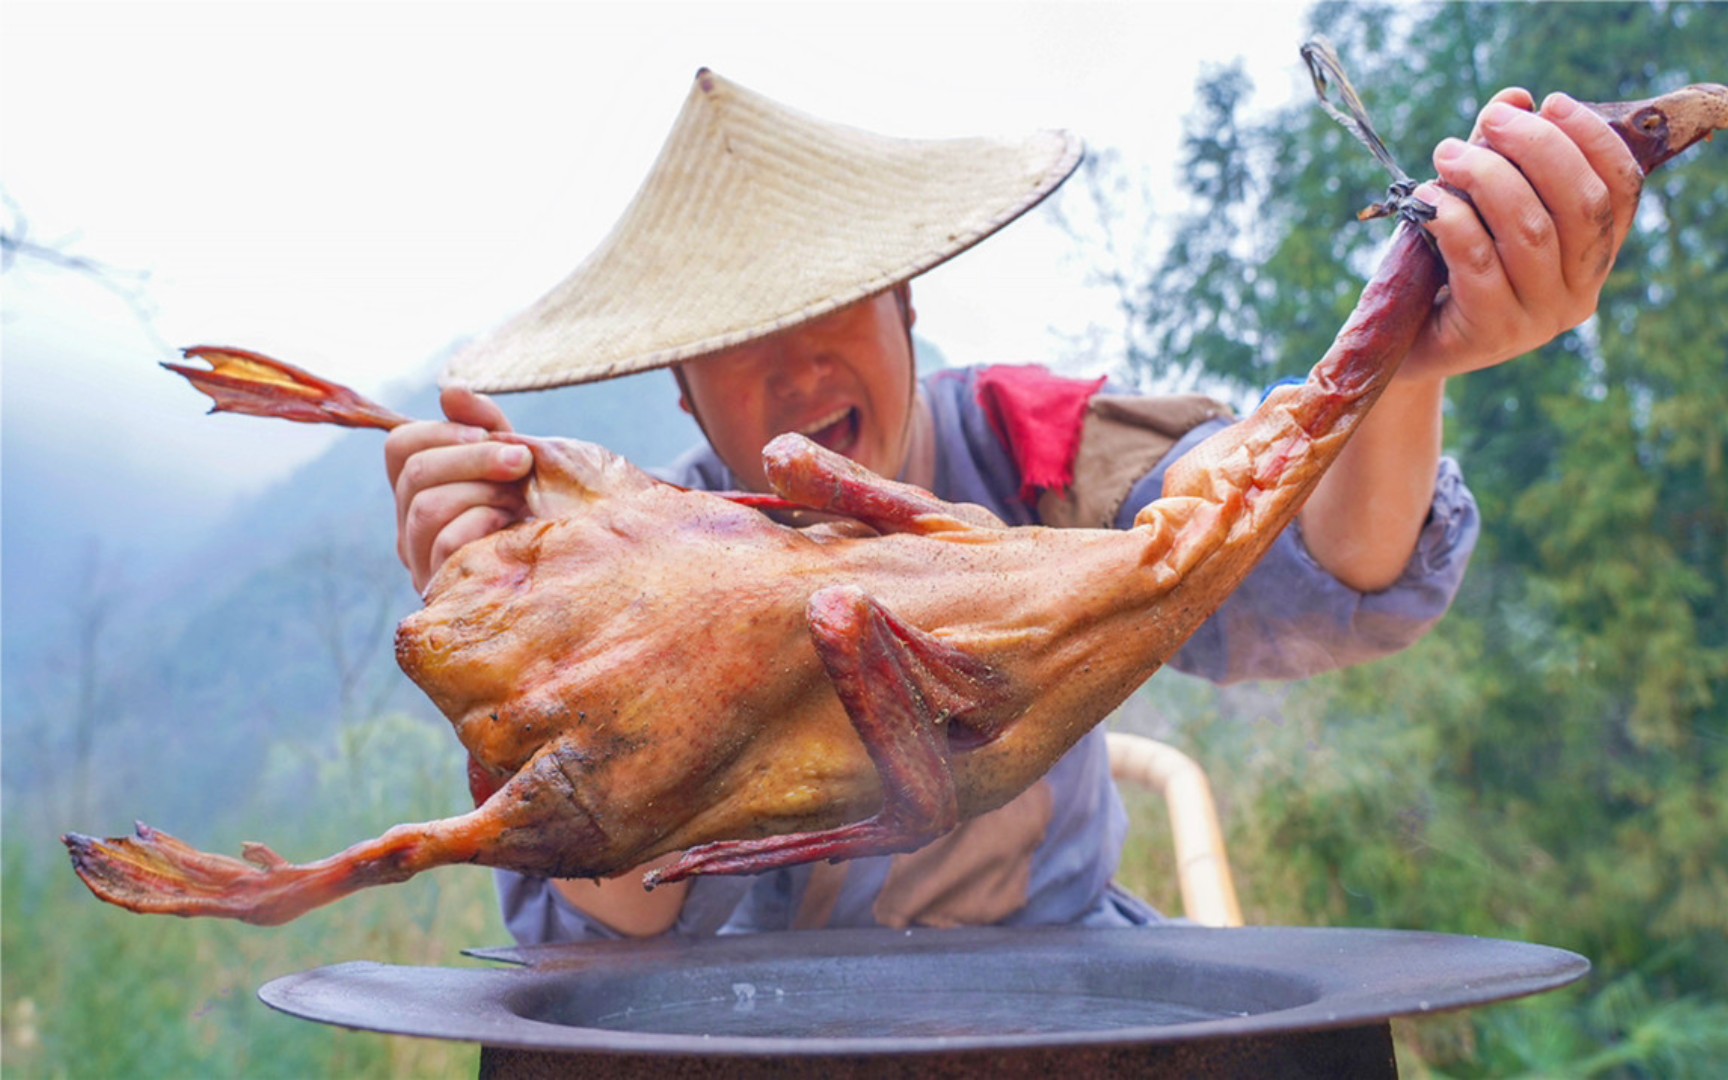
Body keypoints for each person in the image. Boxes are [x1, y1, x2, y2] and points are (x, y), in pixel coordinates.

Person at [384, 70, 1639, 943]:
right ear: (678, 386)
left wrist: (1403, 366)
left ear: (909, 306)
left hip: (1063, 1003)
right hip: (748, 1025)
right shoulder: (632, 569)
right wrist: (500, 652)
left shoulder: (1028, 448)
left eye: (839, 297)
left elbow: (1297, 562)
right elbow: (617, 918)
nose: (799, 363)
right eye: (736, 335)